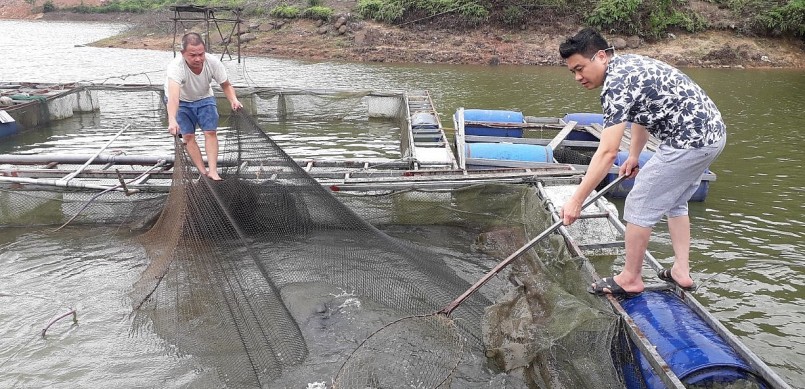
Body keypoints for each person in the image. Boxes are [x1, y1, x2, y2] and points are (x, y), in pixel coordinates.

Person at [558, 28, 727, 297]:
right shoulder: (626, 65)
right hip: (712, 137)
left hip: (688, 143)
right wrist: (635, 155)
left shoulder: (614, 85)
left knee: (638, 203)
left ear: (601, 56)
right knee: (676, 201)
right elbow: (642, 114)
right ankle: (681, 271)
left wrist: (576, 200)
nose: (578, 77)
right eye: (572, 72)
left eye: (580, 68)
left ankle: (630, 279)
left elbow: (607, 152)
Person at [165, 32, 242, 181]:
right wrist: (172, 119)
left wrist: (233, 100)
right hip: (181, 101)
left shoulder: (212, 62)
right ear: (183, 53)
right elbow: (173, 97)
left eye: (201, 54)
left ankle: (213, 171)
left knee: (210, 132)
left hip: (205, 98)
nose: (198, 59)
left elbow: (226, 85)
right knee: (187, 136)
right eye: (192, 55)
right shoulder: (176, 67)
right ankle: (203, 172)